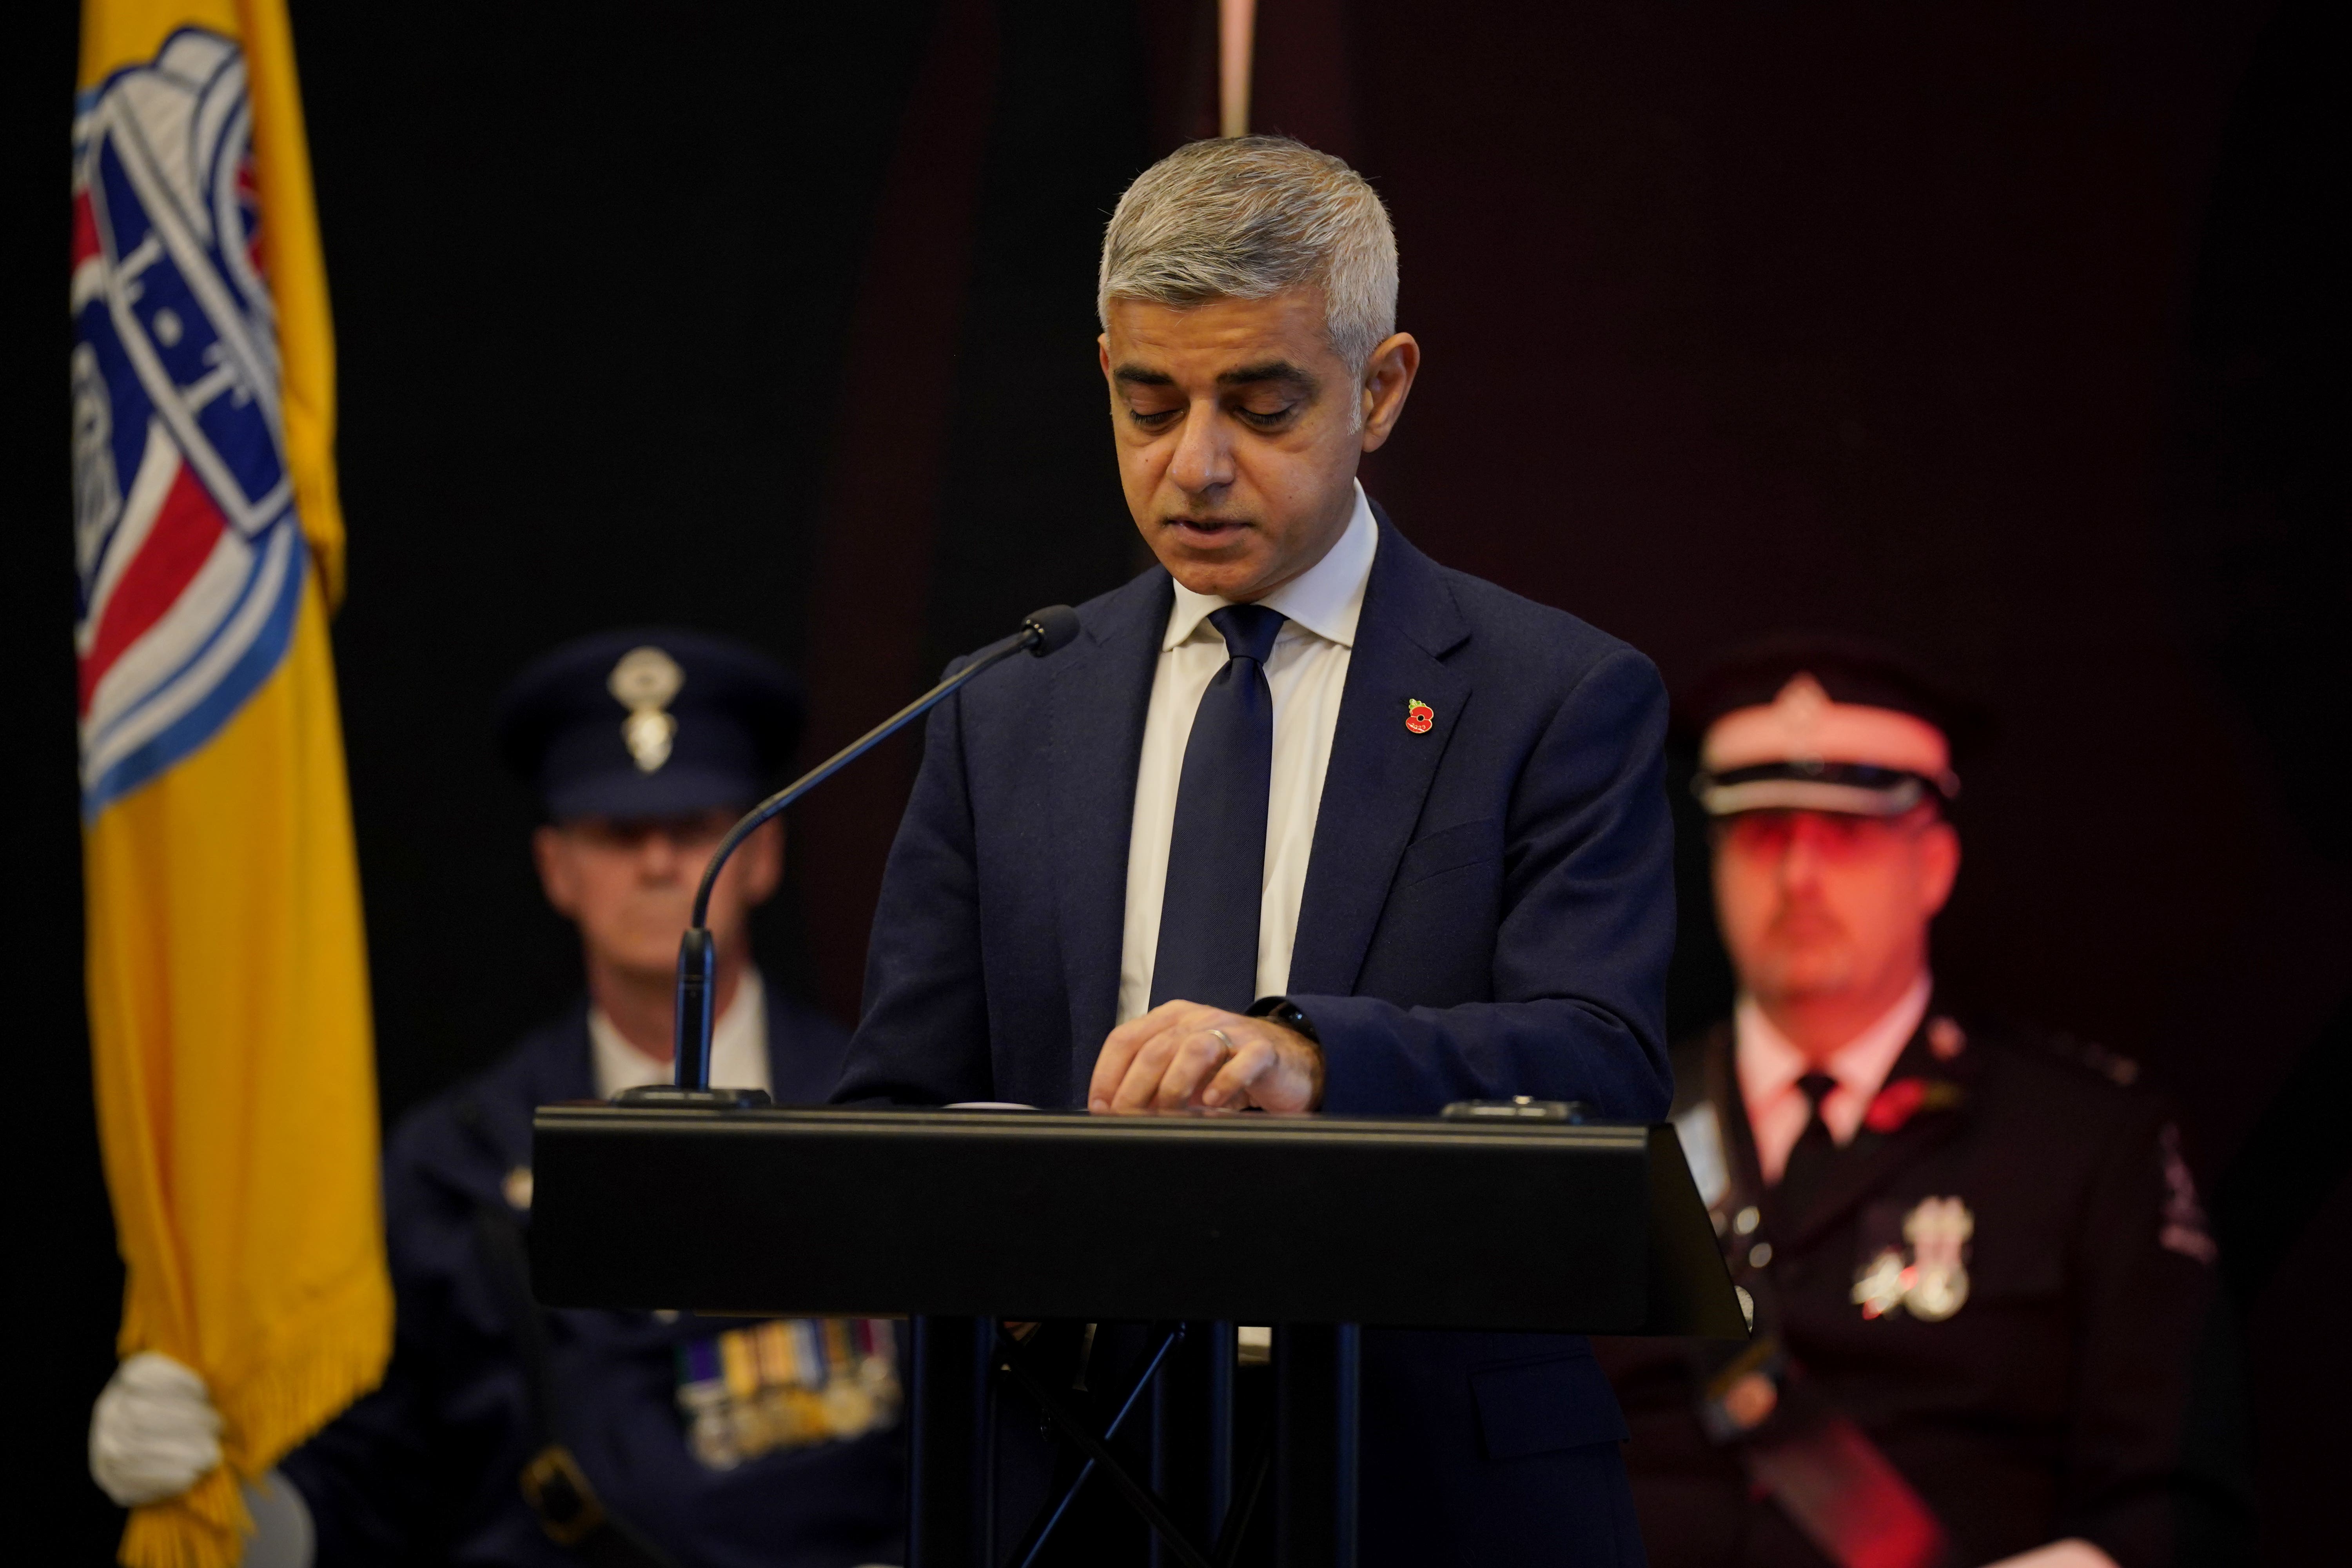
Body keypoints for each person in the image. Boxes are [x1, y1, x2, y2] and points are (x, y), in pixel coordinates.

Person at [835, 136, 1673, 1564]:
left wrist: (1315, 1059)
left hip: (1427, 1492)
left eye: (1263, 405)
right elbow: (898, 1117)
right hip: (1074, 1486)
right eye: (1146, 405)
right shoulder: (1006, 707)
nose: (1195, 466)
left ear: (1383, 388)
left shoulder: (1554, 697)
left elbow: (1600, 1068)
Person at [89, 630, 906, 1568]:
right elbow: (367, 1480)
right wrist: (223, 1498)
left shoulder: (878, 1110)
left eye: (693, 828)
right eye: (614, 833)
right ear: (556, 868)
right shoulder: (455, 1163)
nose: (655, 864)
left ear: (760, 857)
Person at [1593, 637, 2243, 1568]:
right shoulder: (1614, 1125)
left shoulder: (2087, 1142)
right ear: (1717, 857)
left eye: (1846, 833)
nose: (1799, 877)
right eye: (1768, 830)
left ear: (1933, 863)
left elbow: (2177, 1511)